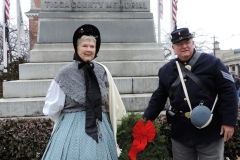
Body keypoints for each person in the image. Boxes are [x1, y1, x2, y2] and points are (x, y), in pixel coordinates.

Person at [142, 28, 238, 160]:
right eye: (179, 44)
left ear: (193, 43)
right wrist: (144, 121)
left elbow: (229, 91)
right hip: (181, 132)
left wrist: (229, 122)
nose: (184, 46)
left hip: (209, 129)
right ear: (173, 48)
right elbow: (158, 98)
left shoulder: (212, 63)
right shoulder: (166, 70)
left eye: (187, 42)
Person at [42, 24, 126, 160]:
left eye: (92, 46)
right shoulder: (65, 73)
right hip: (71, 127)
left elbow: (111, 101)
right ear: (77, 48)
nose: (89, 50)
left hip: (101, 128)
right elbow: (52, 107)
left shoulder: (102, 71)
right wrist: (68, 123)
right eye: (85, 46)